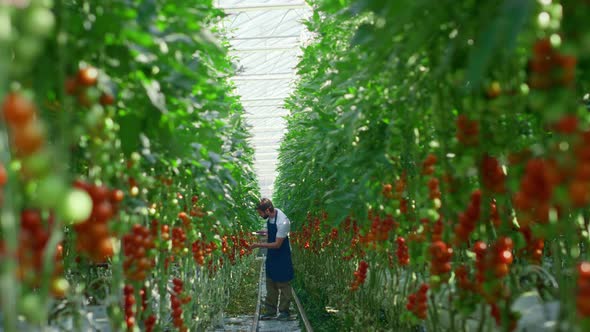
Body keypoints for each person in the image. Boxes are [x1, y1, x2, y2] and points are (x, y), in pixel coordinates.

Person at [250, 198, 294, 321]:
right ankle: (270, 311)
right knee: (270, 282)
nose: (260, 215)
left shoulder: (283, 222)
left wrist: (258, 245)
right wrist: (262, 233)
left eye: (260, 213)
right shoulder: (271, 216)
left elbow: (277, 244)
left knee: (284, 283)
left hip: (282, 255)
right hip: (272, 256)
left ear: (268, 210)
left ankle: (284, 311)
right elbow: (272, 234)